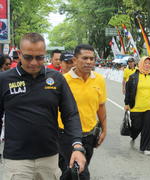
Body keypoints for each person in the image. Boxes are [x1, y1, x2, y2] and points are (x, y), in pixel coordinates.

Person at [0, 33, 86, 179]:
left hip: (49, 157)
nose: (34, 62)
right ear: (19, 54)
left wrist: (77, 146)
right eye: (28, 57)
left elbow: (70, 114)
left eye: (39, 57)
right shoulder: (4, 80)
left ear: (44, 54)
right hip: (16, 160)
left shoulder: (56, 78)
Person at [58, 44, 107, 179]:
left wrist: (104, 129)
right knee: (80, 172)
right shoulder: (63, 80)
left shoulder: (99, 79)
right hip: (66, 136)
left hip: (89, 135)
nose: (89, 62)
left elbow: (101, 106)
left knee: (72, 171)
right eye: (85, 58)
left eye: (92, 58)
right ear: (75, 60)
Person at [124, 56, 150, 155]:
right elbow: (128, 91)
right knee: (137, 126)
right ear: (140, 64)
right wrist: (126, 103)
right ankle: (133, 135)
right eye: (145, 63)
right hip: (136, 107)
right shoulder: (133, 77)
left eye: (149, 63)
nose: (147, 65)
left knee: (149, 127)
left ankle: (146, 147)